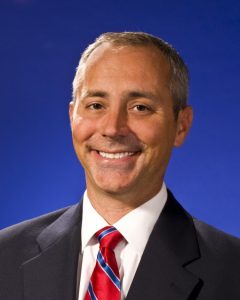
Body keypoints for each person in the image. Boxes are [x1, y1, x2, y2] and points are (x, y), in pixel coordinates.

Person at [0, 32, 239, 300]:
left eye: (140, 107)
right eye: (96, 105)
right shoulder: (4, 258)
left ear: (181, 125)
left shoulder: (232, 271)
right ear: (72, 117)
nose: (113, 128)